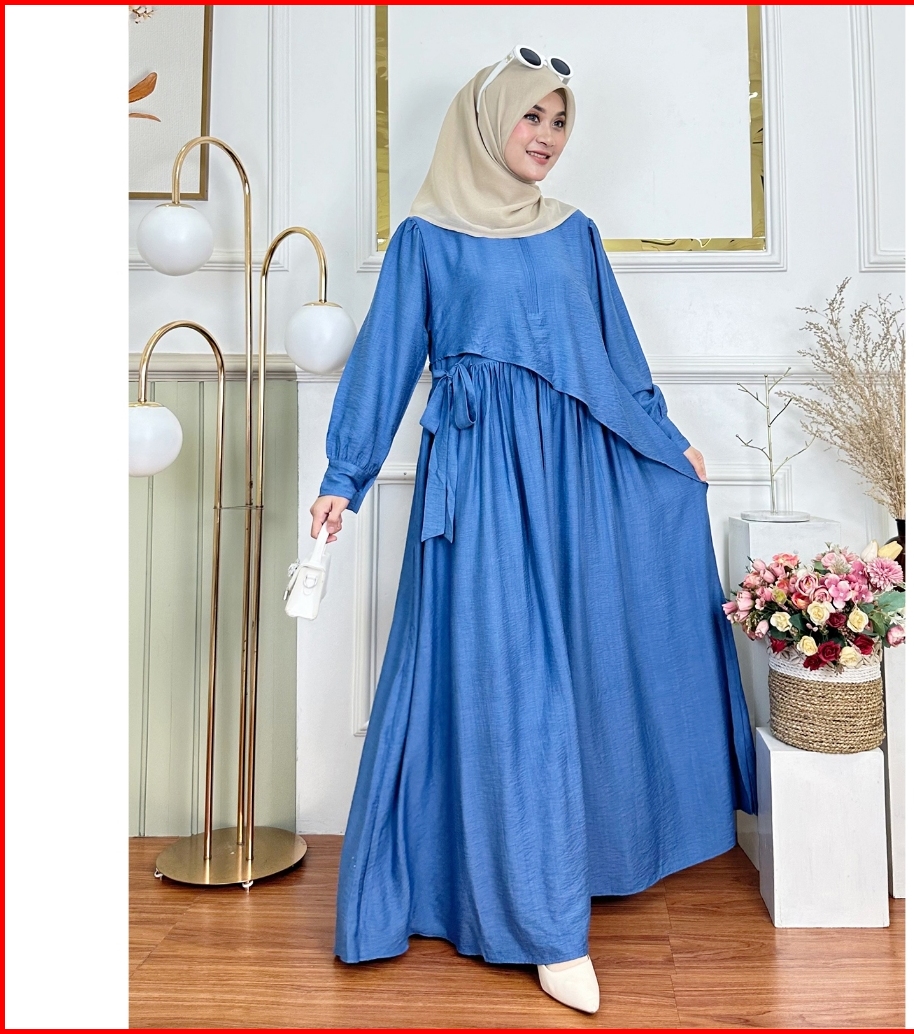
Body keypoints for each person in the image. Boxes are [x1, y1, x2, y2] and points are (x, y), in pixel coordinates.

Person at [309, 49, 758, 1015]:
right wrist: (345, 476)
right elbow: (386, 360)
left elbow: (617, 356)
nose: (547, 137)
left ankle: (572, 870)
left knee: (584, 669)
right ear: (488, 123)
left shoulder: (574, 234)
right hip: (480, 487)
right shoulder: (427, 239)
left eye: (560, 122)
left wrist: (667, 443)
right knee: (510, 681)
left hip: (580, 480)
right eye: (532, 118)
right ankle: (542, 922)